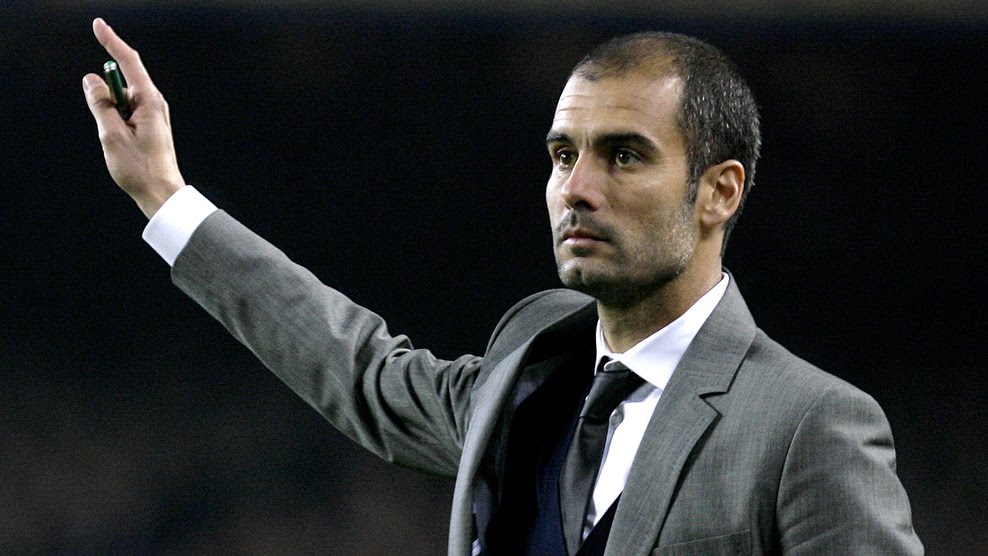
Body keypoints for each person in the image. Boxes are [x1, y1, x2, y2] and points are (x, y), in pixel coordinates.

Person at [83, 17, 923, 556]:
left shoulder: (811, 426)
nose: (576, 189)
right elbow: (358, 369)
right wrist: (165, 196)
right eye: (563, 155)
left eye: (623, 155)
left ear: (720, 192)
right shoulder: (530, 376)